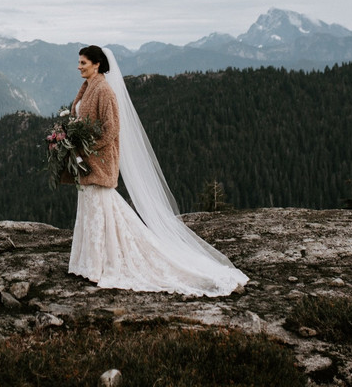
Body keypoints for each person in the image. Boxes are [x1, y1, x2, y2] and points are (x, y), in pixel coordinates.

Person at [65, 45, 248, 297]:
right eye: (79, 62)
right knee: (91, 207)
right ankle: (87, 262)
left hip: (99, 160)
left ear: (97, 64)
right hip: (86, 160)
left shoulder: (104, 90)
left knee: (99, 207)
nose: (79, 66)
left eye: (83, 63)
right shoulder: (87, 87)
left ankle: (98, 264)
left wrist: (87, 149)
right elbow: (79, 118)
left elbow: (111, 128)